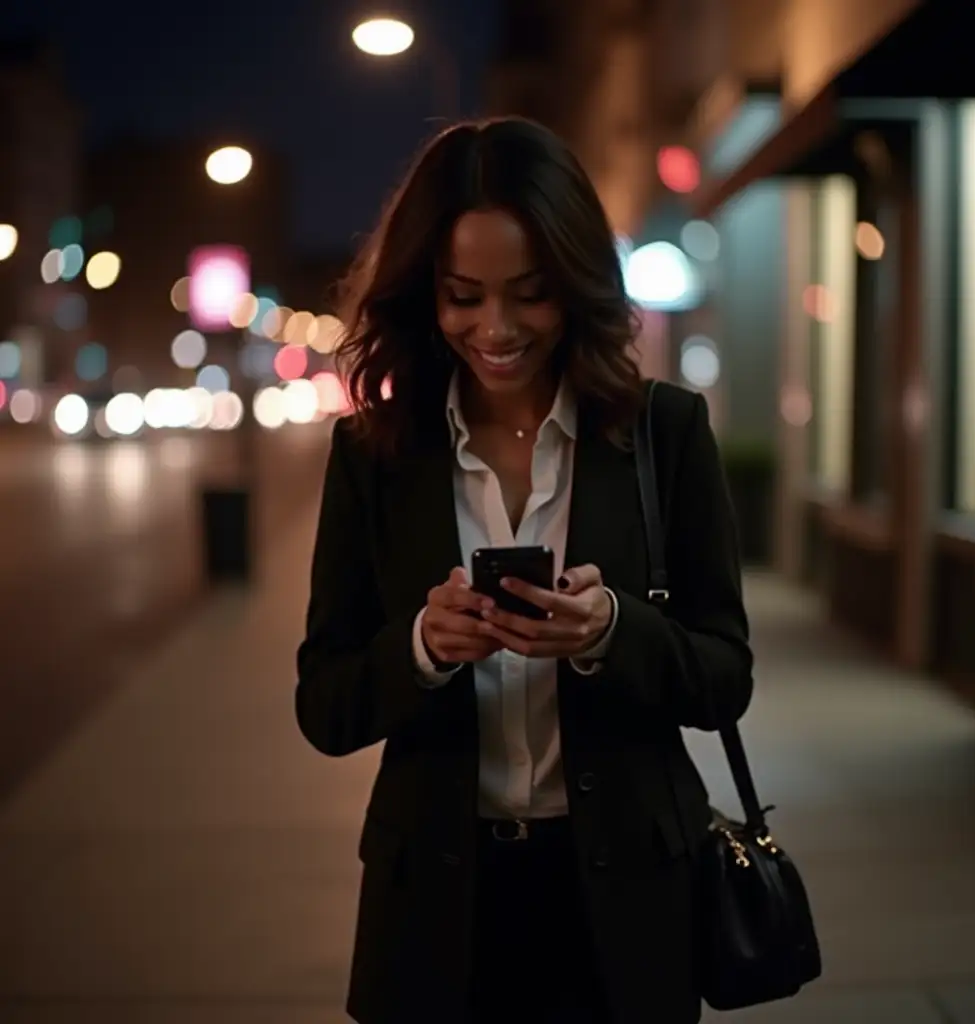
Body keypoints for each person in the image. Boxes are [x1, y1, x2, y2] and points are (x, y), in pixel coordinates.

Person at [294, 116, 754, 1024]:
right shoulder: (376, 455)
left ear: (577, 286)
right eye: (464, 295)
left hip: (624, 906)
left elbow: (725, 679)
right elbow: (325, 705)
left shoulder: (664, 434)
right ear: (426, 291)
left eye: (530, 294)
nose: (495, 329)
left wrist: (613, 631)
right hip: (436, 905)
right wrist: (422, 647)